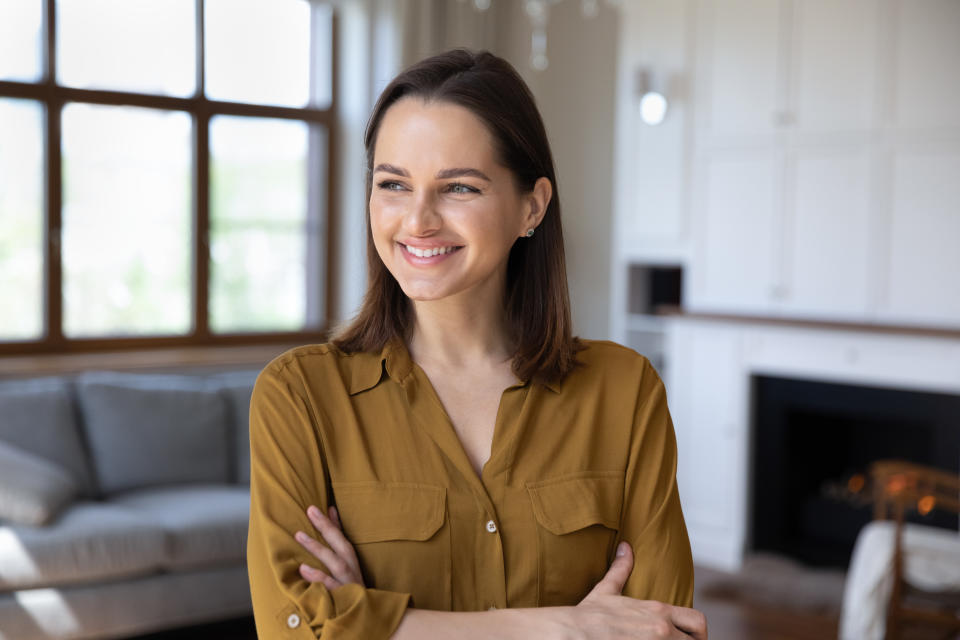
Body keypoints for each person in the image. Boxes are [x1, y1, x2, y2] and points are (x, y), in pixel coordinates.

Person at [246, 48, 707, 639]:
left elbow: (663, 629)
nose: (417, 220)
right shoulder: (300, 397)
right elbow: (293, 630)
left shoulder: (625, 392)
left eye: (458, 187)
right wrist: (558, 628)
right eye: (393, 184)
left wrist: (373, 623)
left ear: (531, 207)